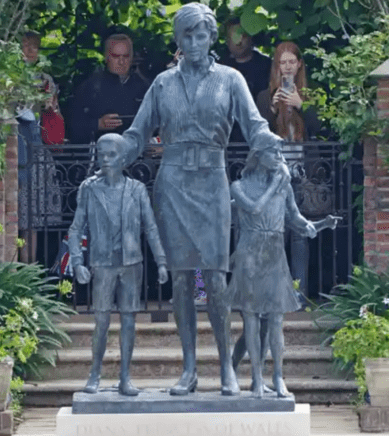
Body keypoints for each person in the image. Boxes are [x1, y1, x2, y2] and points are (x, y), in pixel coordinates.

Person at [119, 3, 286, 397]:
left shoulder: (230, 79)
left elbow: (254, 125)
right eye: (186, 36)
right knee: (180, 279)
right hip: (173, 182)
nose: (194, 43)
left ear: (212, 38)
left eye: (201, 35)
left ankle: (227, 367)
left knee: (213, 275)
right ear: (178, 40)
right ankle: (189, 367)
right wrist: (111, 158)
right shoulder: (162, 83)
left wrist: (272, 145)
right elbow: (137, 133)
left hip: (212, 180)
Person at [227, 147, 339, 398]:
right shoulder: (239, 186)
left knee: (275, 320)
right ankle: (254, 378)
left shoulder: (284, 188)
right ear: (259, 156)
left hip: (275, 254)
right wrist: (275, 184)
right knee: (252, 322)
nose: (280, 156)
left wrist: (319, 225)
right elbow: (254, 209)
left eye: (280, 152)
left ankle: (277, 376)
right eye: (274, 152)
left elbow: (297, 220)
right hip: (250, 254)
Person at [67, 133, 169, 396]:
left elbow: (151, 227)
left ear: (124, 159)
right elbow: (76, 230)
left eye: (111, 155)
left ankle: (125, 376)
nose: (105, 159)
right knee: (101, 322)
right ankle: (95, 373)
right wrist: (78, 262)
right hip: (102, 264)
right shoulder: (89, 189)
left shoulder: (136, 190)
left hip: (131, 264)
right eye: (101, 154)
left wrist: (161, 261)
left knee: (129, 321)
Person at [255, 41, 321, 298]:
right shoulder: (264, 96)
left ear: (299, 64)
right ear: (277, 66)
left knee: (299, 235)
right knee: (274, 234)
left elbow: (323, 128)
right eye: (282, 62)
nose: (287, 67)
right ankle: (275, 292)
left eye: (291, 62)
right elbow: (257, 132)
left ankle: (299, 292)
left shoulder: (311, 95)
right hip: (275, 175)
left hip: (303, 174)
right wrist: (273, 109)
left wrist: (301, 104)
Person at [17, 31, 63, 262]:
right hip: (18, 148)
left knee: (31, 218)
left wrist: (50, 107)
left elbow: (54, 120)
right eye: (25, 46)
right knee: (17, 215)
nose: (30, 51)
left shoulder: (45, 79)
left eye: (34, 47)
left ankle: (30, 271)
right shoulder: (8, 77)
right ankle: (17, 272)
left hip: (38, 149)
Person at [69, 34, 151, 144]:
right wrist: (98, 124)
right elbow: (72, 127)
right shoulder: (90, 87)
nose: (121, 62)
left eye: (126, 56)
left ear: (132, 57)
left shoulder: (145, 87)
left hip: (138, 155)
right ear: (106, 57)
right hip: (103, 155)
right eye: (116, 56)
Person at [221, 18, 272, 143]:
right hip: (228, 138)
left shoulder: (267, 66)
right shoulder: (220, 68)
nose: (238, 42)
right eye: (233, 38)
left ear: (250, 38)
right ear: (227, 41)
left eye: (242, 37)